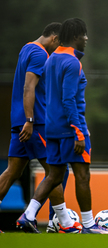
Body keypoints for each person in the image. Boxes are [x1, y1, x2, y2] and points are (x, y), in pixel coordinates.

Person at [16, 18, 108, 234]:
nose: (86, 38)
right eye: (83, 34)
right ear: (74, 37)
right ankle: (89, 225)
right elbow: (68, 100)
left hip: (51, 129)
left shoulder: (51, 59)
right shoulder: (72, 62)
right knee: (82, 175)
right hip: (71, 129)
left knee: (53, 175)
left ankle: (29, 215)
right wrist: (79, 131)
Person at [0, 22, 70, 233]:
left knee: (11, 172)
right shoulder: (40, 54)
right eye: (60, 45)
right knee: (55, 172)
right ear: (54, 39)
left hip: (20, 122)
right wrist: (30, 121)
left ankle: (53, 221)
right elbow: (28, 87)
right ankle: (63, 224)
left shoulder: (27, 47)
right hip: (34, 124)